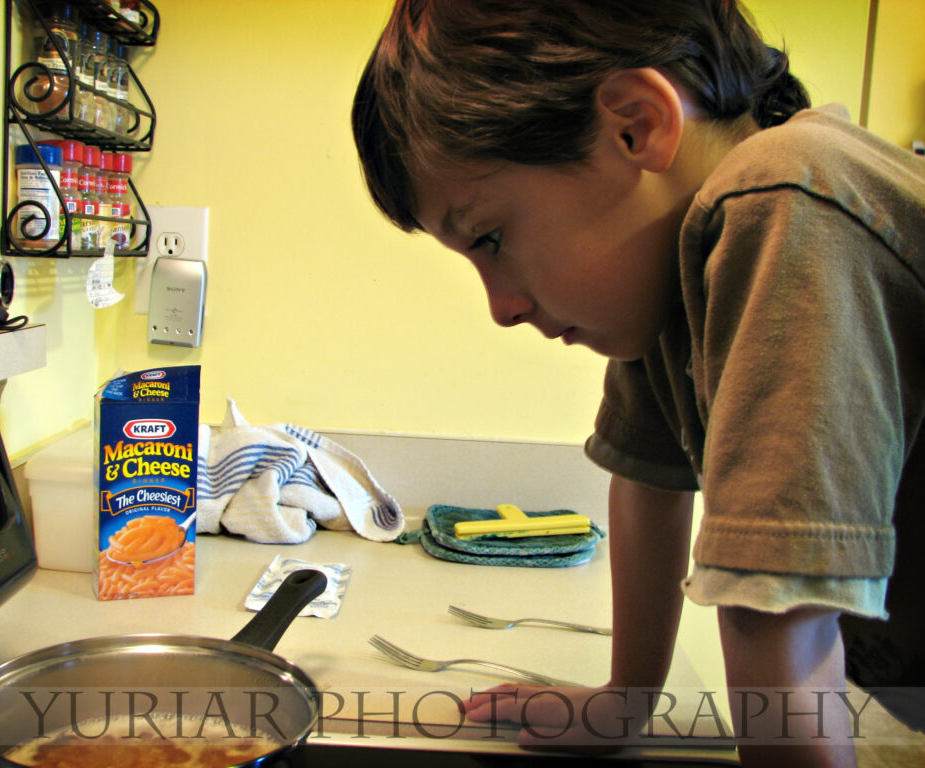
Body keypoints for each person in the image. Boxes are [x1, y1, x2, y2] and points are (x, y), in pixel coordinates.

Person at [351, 1, 925, 766]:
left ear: (637, 126)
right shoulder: (668, 269)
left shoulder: (780, 199)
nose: (502, 307)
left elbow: (776, 614)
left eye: (490, 238)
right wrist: (626, 699)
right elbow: (646, 476)